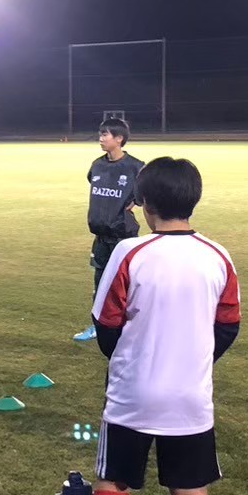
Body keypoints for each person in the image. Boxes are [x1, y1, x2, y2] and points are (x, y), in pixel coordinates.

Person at [71, 156, 240, 495]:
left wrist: (134, 359)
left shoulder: (130, 251)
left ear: (144, 204)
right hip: (191, 397)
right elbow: (229, 325)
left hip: (134, 393)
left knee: (113, 482)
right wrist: (191, 362)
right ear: (193, 200)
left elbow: (106, 323)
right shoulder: (218, 255)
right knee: (190, 489)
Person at [73, 118, 144, 343]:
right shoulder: (97, 165)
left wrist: (134, 203)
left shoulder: (136, 167)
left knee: (128, 286)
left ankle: (133, 328)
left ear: (119, 138)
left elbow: (145, 195)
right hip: (101, 236)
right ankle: (98, 327)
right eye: (100, 134)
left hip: (124, 237)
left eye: (105, 134)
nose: (101, 139)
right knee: (100, 283)